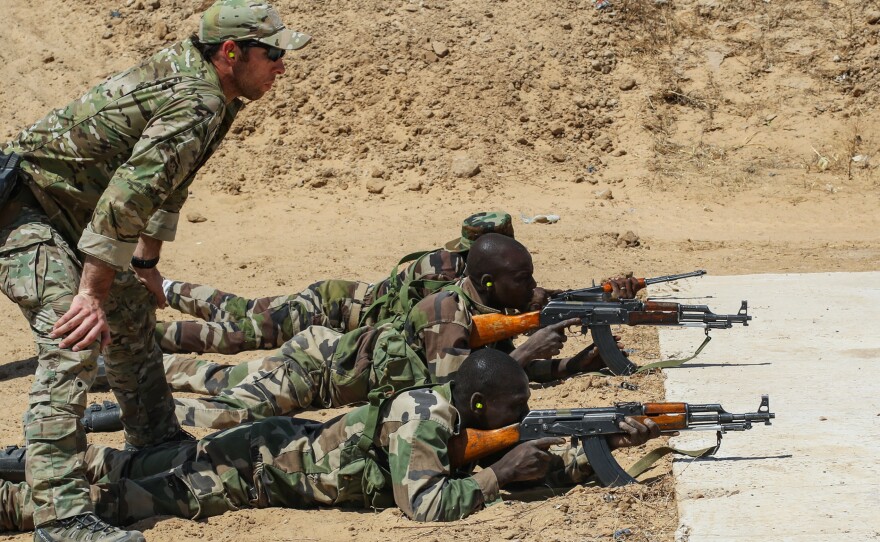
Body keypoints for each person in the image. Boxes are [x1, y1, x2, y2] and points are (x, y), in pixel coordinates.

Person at [0, 1, 310, 539]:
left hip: (69, 211)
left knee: (130, 311)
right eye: (274, 53)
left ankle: (156, 443)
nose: (283, 65)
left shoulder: (213, 89)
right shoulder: (196, 98)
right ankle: (61, 515)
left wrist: (143, 262)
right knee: (73, 335)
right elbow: (128, 195)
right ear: (231, 53)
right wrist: (91, 293)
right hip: (22, 210)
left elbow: (166, 181)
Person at [0, 349, 661, 530]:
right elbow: (425, 504)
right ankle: (13, 504)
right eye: (512, 413)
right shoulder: (425, 418)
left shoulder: (451, 412)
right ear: (479, 404)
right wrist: (497, 474)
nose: (518, 421)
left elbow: (493, 458)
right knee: (127, 498)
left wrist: (591, 452)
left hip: (276, 443)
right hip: (257, 470)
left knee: (129, 463)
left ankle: (20, 462)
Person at [80, 234, 640, 432]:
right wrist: (526, 353)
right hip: (318, 365)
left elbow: (484, 373)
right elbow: (458, 397)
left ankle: (113, 371)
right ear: (490, 281)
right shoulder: (449, 310)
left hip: (326, 356)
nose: (534, 286)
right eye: (524, 280)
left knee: (223, 374)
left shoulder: (480, 305)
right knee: (224, 404)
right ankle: (108, 405)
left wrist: (571, 363)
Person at [153, 211, 516, 354]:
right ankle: (145, 338)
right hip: (326, 312)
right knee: (235, 334)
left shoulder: (461, 268)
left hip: (336, 299)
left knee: (241, 310)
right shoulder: (442, 277)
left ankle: (166, 288)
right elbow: (445, 333)